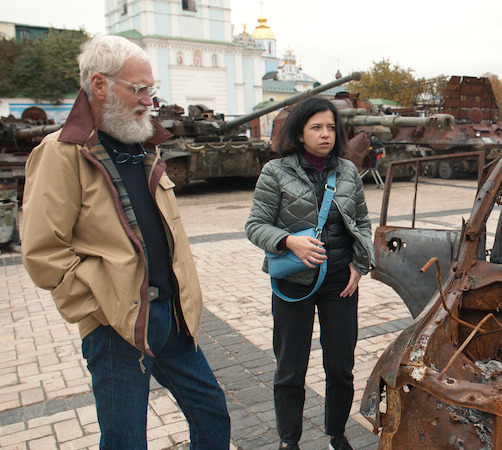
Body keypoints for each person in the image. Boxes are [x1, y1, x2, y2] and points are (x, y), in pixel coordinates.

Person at [21, 35, 230, 449]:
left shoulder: (143, 144)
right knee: (125, 440)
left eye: (151, 89)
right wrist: (98, 306)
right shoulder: (62, 152)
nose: (149, 100)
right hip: (116, 326)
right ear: (99, 85)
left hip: (170, 319)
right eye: (139, 88)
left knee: (212, 415)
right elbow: (43, 252)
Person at [245, 97, 374, 450]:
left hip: (340, 285)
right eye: (316, 127)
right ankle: (290, 441)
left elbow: (362, 222)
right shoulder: (276, 171)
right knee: (290, 369)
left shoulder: (347, 171)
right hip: (293, 283)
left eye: (331, 127)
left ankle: (337, 434)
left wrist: (360, 265)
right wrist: (288, 241)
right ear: (300, 133)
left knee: (340, 367)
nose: (325, 134)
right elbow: (255, 226)